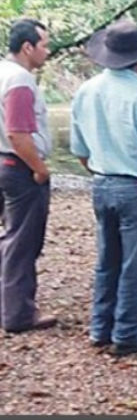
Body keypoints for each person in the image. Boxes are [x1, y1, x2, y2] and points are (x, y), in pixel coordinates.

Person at [70, 19, 137, 356]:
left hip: (102, 185)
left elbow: (81, 152)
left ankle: (101, 328)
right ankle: (129, 334)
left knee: (109, 259)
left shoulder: (85, 91)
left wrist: (106, 172)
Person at [0, 19, 57, 333]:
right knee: (22, 241)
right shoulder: (20, 80)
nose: (46, 51)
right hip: (18, 167)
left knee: (10, 237)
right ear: (27, 47)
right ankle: (19, 314)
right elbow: (18, 133)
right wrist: (39, 168)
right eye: (44, 45)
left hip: (3, 162)